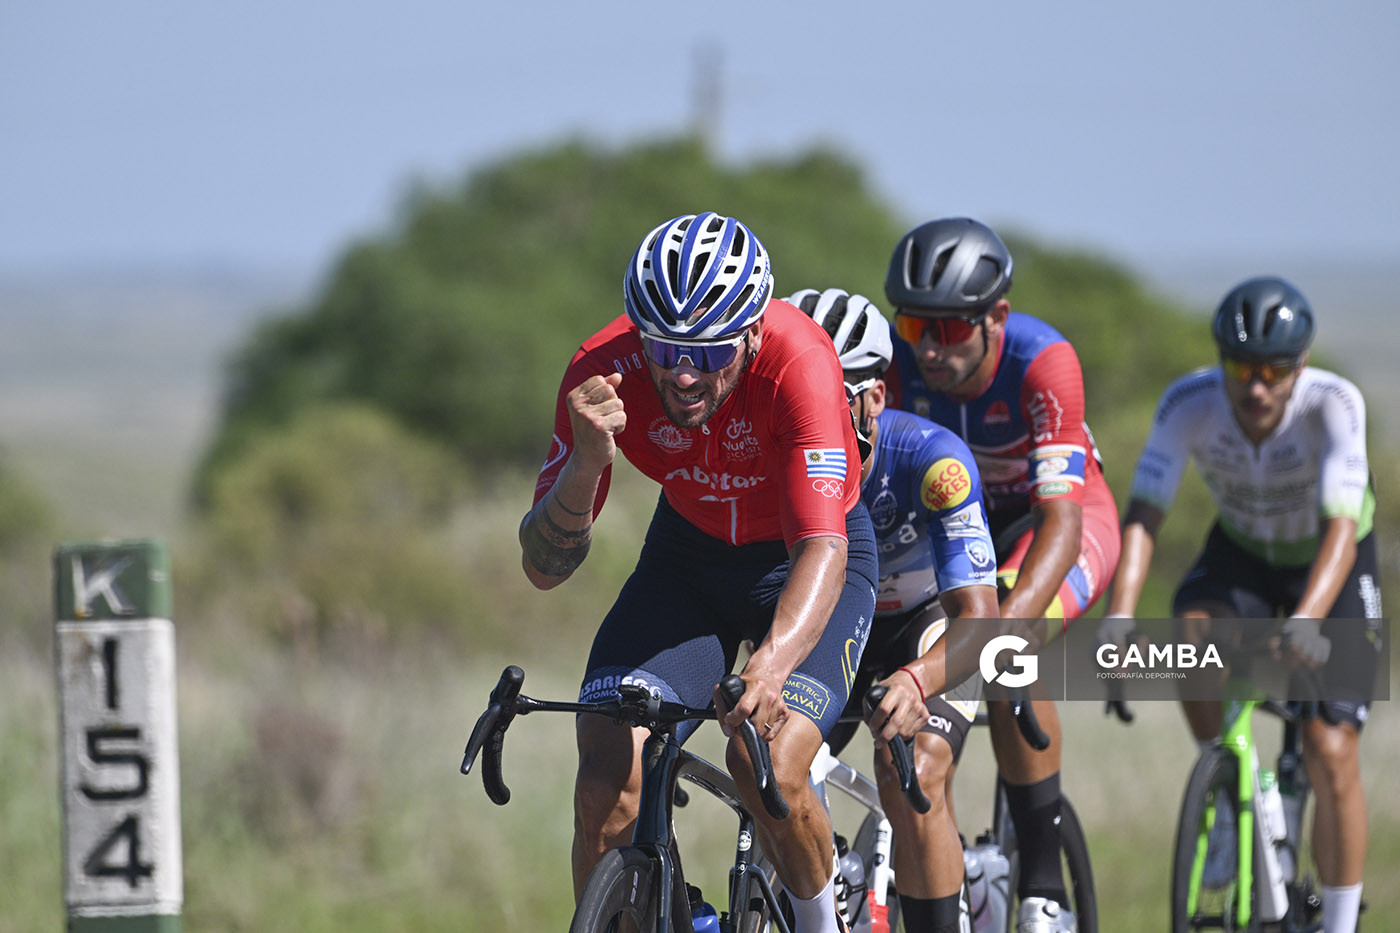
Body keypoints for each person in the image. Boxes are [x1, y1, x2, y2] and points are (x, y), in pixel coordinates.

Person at [519, 211, 877, 933]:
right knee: (605, 778)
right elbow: (544, 567)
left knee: (768, 762)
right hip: (686, 559)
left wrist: (770, 666)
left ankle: (821, 923)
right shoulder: (600, 373)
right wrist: (586, 463)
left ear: (752, 332)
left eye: (710, 352)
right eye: (664, 347)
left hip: (799, 558)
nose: (683, 374)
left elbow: (822, 547)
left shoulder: (801, 363)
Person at [1099, 276, 1380, 933]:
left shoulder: (1334, 403)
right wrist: (1120, 614)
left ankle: (1340, 921)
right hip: (1244, 551)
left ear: (1299, 366)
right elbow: (1144, 515)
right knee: (1190, 639)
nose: (1255, 387)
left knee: (1330, 746)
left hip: (1330, 560)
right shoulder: (1189, 403)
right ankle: (1227, 792)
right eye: (1241, 368)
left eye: (1272, 372)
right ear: (1221, 360)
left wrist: (1306, 620)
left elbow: (1341, 529)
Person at [881, 217, 1122, 933]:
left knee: (1009, 648)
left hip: (1054, 523)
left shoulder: (1042, 361)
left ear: (997, 317)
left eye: (950, 329)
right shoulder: (894, 362)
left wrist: (1003, 631)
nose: (929, 347)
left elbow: (1061, 523)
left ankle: (1045, 885)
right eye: (914, 325)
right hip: (960, 525)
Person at [788, 287, 1000, 933]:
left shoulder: (934, 461)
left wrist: (917, 678)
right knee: (778, 766)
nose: (812, 416)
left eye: (833, 398)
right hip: (835, 624)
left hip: (925, 625)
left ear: (875, 397)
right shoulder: (775, 458)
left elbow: (980, 618)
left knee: (915, 767)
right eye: (797, 396)